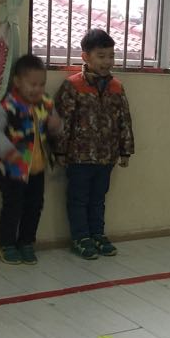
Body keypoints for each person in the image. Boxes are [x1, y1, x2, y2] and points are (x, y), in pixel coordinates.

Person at [54, 28, 133, 260]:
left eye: (111, 56)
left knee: (98, 199)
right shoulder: (72, 86)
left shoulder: (116, 87)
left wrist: (125, 150)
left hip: (106, 157)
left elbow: (124, 120)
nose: (107, 61)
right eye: (101, 56)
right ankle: (81, 237)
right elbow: (62, 121)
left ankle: (97, 234)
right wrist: (60, 151)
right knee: (78, 199)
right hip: (78, 157)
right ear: (85, 57)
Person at [0, 54, 62, 265]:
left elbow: (55, 126)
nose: (38, 89)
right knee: (13, 205)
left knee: (35, 206)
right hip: (12, 168)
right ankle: (6, 244)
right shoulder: (7, 105)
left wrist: (56, 125)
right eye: (32, 84)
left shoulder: (46, 103)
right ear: (17, 81)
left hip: (37, 167)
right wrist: (7, 151)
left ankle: (27, 242)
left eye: (42, 84)